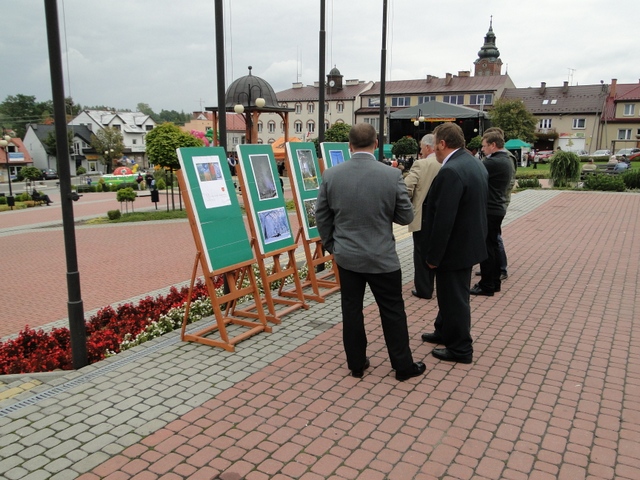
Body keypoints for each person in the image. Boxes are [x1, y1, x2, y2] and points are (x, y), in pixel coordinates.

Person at [316, 123, 426, 381]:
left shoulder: (331, 175)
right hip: (382, 257)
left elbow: (322, 216)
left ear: (349, 146)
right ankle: (402, 366)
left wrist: (332, 246)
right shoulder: (391, 175)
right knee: (392, 310)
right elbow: (405, 216)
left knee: (351, 310)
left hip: (347, 256)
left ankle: (356, 364)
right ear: (376, 144)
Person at [418, 122, 488, 364]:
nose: (434, 150)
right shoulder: (472, 162)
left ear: (442, 144)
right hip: (468, 243)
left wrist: (433, 257)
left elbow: (443, 219)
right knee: (452, 295)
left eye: (435, 144)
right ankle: (443, 330)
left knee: (454, 299)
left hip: (454, 248)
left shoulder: (451, 170)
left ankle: (460, 348)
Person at [471, 129, 514, 297]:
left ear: (493, 145)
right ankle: (494, 282)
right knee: (493, 245)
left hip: (490, 209)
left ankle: (487, 284)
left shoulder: (493, 162)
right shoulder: (506, 159)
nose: (482, 149)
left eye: (484, 146)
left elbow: (473, 170)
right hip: (497, 208)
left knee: (487, 247)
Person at [404, 133, 441, 300]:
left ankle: (424, 289)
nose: (421, 151)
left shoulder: (421, 164)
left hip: (423, 216)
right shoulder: (447, 163)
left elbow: (406, 188)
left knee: (421, 254)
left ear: (427, 147)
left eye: (421, 148)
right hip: (442, 215)